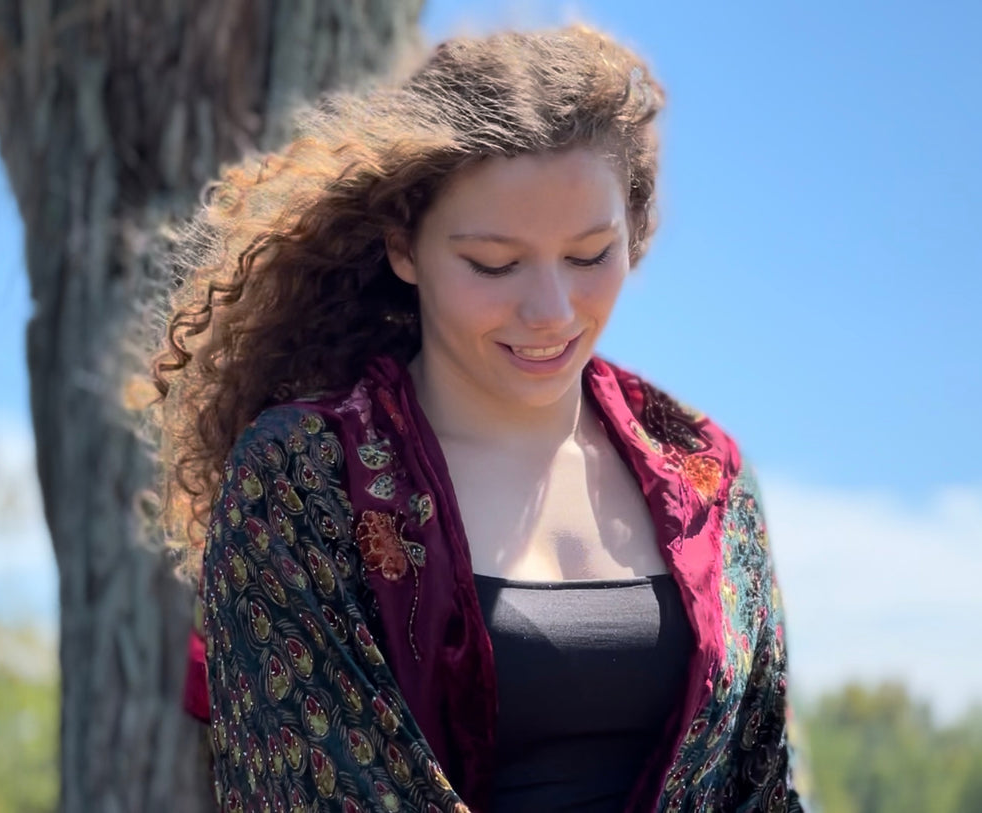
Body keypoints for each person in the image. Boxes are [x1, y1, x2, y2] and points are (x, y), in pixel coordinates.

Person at [149, 24, 804, 813]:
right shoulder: (301, 478)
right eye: (494, 264)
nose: (550, 310)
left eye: (590, 254)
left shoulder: (704, 471)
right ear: (402, 247)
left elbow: (760, 784)